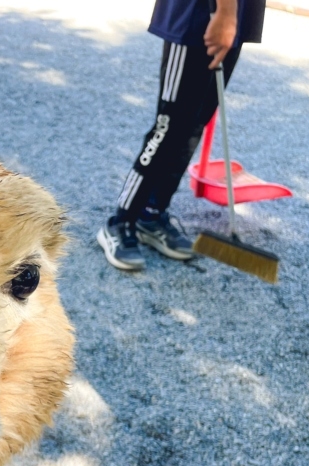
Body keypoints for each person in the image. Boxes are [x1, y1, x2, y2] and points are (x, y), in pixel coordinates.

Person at [97, 0, 266, 271]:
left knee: (194, 124)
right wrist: (225, 13)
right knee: (169, 126)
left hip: (237, 13)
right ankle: (121, 222)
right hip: (203, 13)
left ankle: (151, 215)